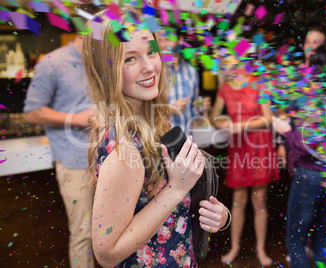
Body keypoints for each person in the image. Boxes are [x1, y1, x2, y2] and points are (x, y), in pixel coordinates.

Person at [82, 7, 230, 267]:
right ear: (106, 70)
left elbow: (167, 208)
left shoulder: (155, 120)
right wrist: (177, 188)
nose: (150, 67)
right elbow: (106, 253)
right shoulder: (125, 150)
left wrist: (217, 215)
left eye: (151, 52)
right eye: (130, 59)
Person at [273, 45, 326, 267]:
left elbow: (307, 145)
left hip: (310, 176)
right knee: (322, 240)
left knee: (295, 240)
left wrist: (285, 130)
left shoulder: (316, 100)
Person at [24, 35, 96, 267]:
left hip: (108, 159)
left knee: (109, 232)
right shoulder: (53, 62)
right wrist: (76, 118)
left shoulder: (103, 60)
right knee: (84, 234)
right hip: (75, 162)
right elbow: (32, 112)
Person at [210, 65, 280, 266]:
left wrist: (240, 125)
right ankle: (234, 248)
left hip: (259, 144)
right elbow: (214, 115)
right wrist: (221, 122)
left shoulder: (259, 82)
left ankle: (261, 249)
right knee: (238, 199)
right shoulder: (225, 88)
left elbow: (268, 119)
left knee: (259, 200)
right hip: (239, 146)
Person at [157, 27, 211, 135]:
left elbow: (194, 114)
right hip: (160, 143)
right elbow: (141, 111)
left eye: (167, 38)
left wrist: (201, 108)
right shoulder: (154, 70)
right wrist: (170, 110)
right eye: (159, 40)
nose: (162, 44)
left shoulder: (191, 72)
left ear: (180, 40)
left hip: (187, 142)